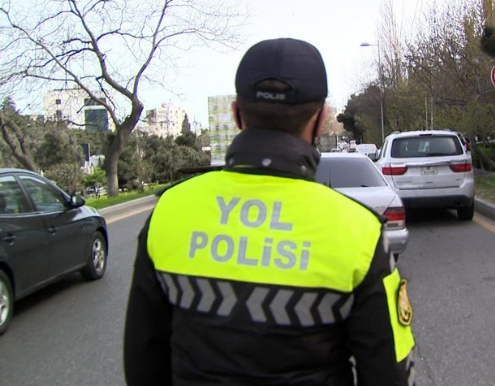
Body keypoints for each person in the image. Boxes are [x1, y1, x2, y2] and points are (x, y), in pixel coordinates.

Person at [123, 37, 416, 386]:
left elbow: (143, 362)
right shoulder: (359, 231)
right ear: (321, 120)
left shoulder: (169, 211)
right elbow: (389, 374)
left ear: (235, 114)